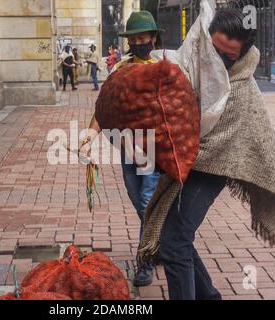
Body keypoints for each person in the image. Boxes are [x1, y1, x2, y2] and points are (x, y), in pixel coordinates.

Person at [140, 9, 275, 300]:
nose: (219, 60)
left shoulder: (240, 88)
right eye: (215, 50)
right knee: (176, 238)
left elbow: (221, 143)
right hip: (190, 161)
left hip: (215, 165)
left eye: (228, 56)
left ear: (241, 56)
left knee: (174, 242)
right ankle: (209, 296)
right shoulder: (193, 67)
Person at [79, 11, 164, 288]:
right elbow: (104, 108)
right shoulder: (120, 70)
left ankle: (147, 259)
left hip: (154, 151)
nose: (140, 42)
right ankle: (161, 239)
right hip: (127, 150)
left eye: (144, 37)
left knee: (147, 202)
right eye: (135, 38)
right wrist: (89, 136)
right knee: (139, 200)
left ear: (153, 38)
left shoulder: (166, 69)